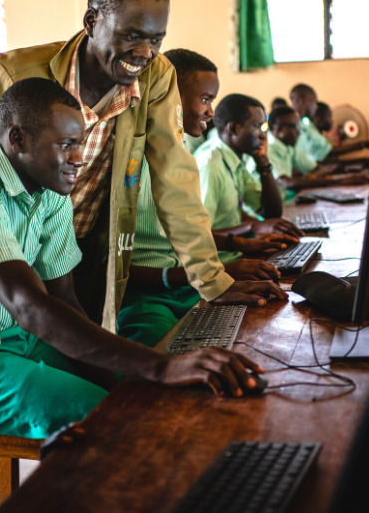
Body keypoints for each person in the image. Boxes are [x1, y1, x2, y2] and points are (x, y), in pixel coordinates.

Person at [0, 78, 271, 444]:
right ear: (17, 139)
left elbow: (64, 299)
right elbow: (28, 306)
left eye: (79, 143)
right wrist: (161, 365)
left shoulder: (50, 192)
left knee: (139, 398)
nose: (78, 158)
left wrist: (126, 380)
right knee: (116, 420)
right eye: (66, 145)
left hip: (19, 339)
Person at [0, 0, 283, 330]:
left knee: (92, 357)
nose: (144, 53)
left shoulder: (156, 77)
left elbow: (176, 180)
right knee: (26, 346)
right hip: (9, 252)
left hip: (85, 253)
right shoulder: (11, 76)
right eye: (131, 35)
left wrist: (213, 282)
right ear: (92, 22)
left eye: (156, 40)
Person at [118, 50, 286, 348]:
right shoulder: (128, 165)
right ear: (166, 95)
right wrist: (213, 273)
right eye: (205, 99)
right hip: (147, 300)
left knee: (254, 331)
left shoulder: (181, 157)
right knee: (173, 361)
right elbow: (115, 268)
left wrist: (237, 250)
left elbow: (191, 232)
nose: (211, 111)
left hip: (186, 287)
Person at [195, 94, 303, 243]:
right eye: (258, 127)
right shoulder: (210, 166)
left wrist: (263, 162)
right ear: (234, 127)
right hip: (221, 261)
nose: (263, 136)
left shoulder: (235, 160)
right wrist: (252, 227)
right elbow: (198, 235)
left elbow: (271, 213)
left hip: (236, 252)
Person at [266, 106, 369, 197]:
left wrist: (338, 172)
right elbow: (288, 183)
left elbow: (316, 167)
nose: (298, 132)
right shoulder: (269, 150)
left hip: (286, 202)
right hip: (271, 214)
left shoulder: (288, 148)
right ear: (279, 129)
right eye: (295, 127)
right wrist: (340, 181)